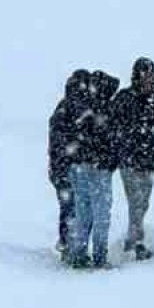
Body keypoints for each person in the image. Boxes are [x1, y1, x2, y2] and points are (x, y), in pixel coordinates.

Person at [110, 57, 154, 261]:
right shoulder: (124, 98)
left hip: (148, 160)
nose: (149, 80)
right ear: (137, 77)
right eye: (145, 76)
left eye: (152, 77)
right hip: (128, 160)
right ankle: (136, 243)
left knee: (143, 203)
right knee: (136, 202)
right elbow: (111, 123)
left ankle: (133, 238)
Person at [65, 70, 120, 269]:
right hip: (99, 169)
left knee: (83, 213)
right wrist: (109, 160)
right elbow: (111, 141)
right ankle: (99, 257)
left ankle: (78, 254)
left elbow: (73, 138)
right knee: (101, 215)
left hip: (79, 167)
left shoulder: (80, 107)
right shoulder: (105, 109)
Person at [48, 69, 91, 257]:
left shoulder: (65, 109)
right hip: (67, 170)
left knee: (70, 208)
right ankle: (68, 246)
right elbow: (62, 145)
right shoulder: (69, 111)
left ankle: (69, 244)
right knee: (71, 208)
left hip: (64, 169)